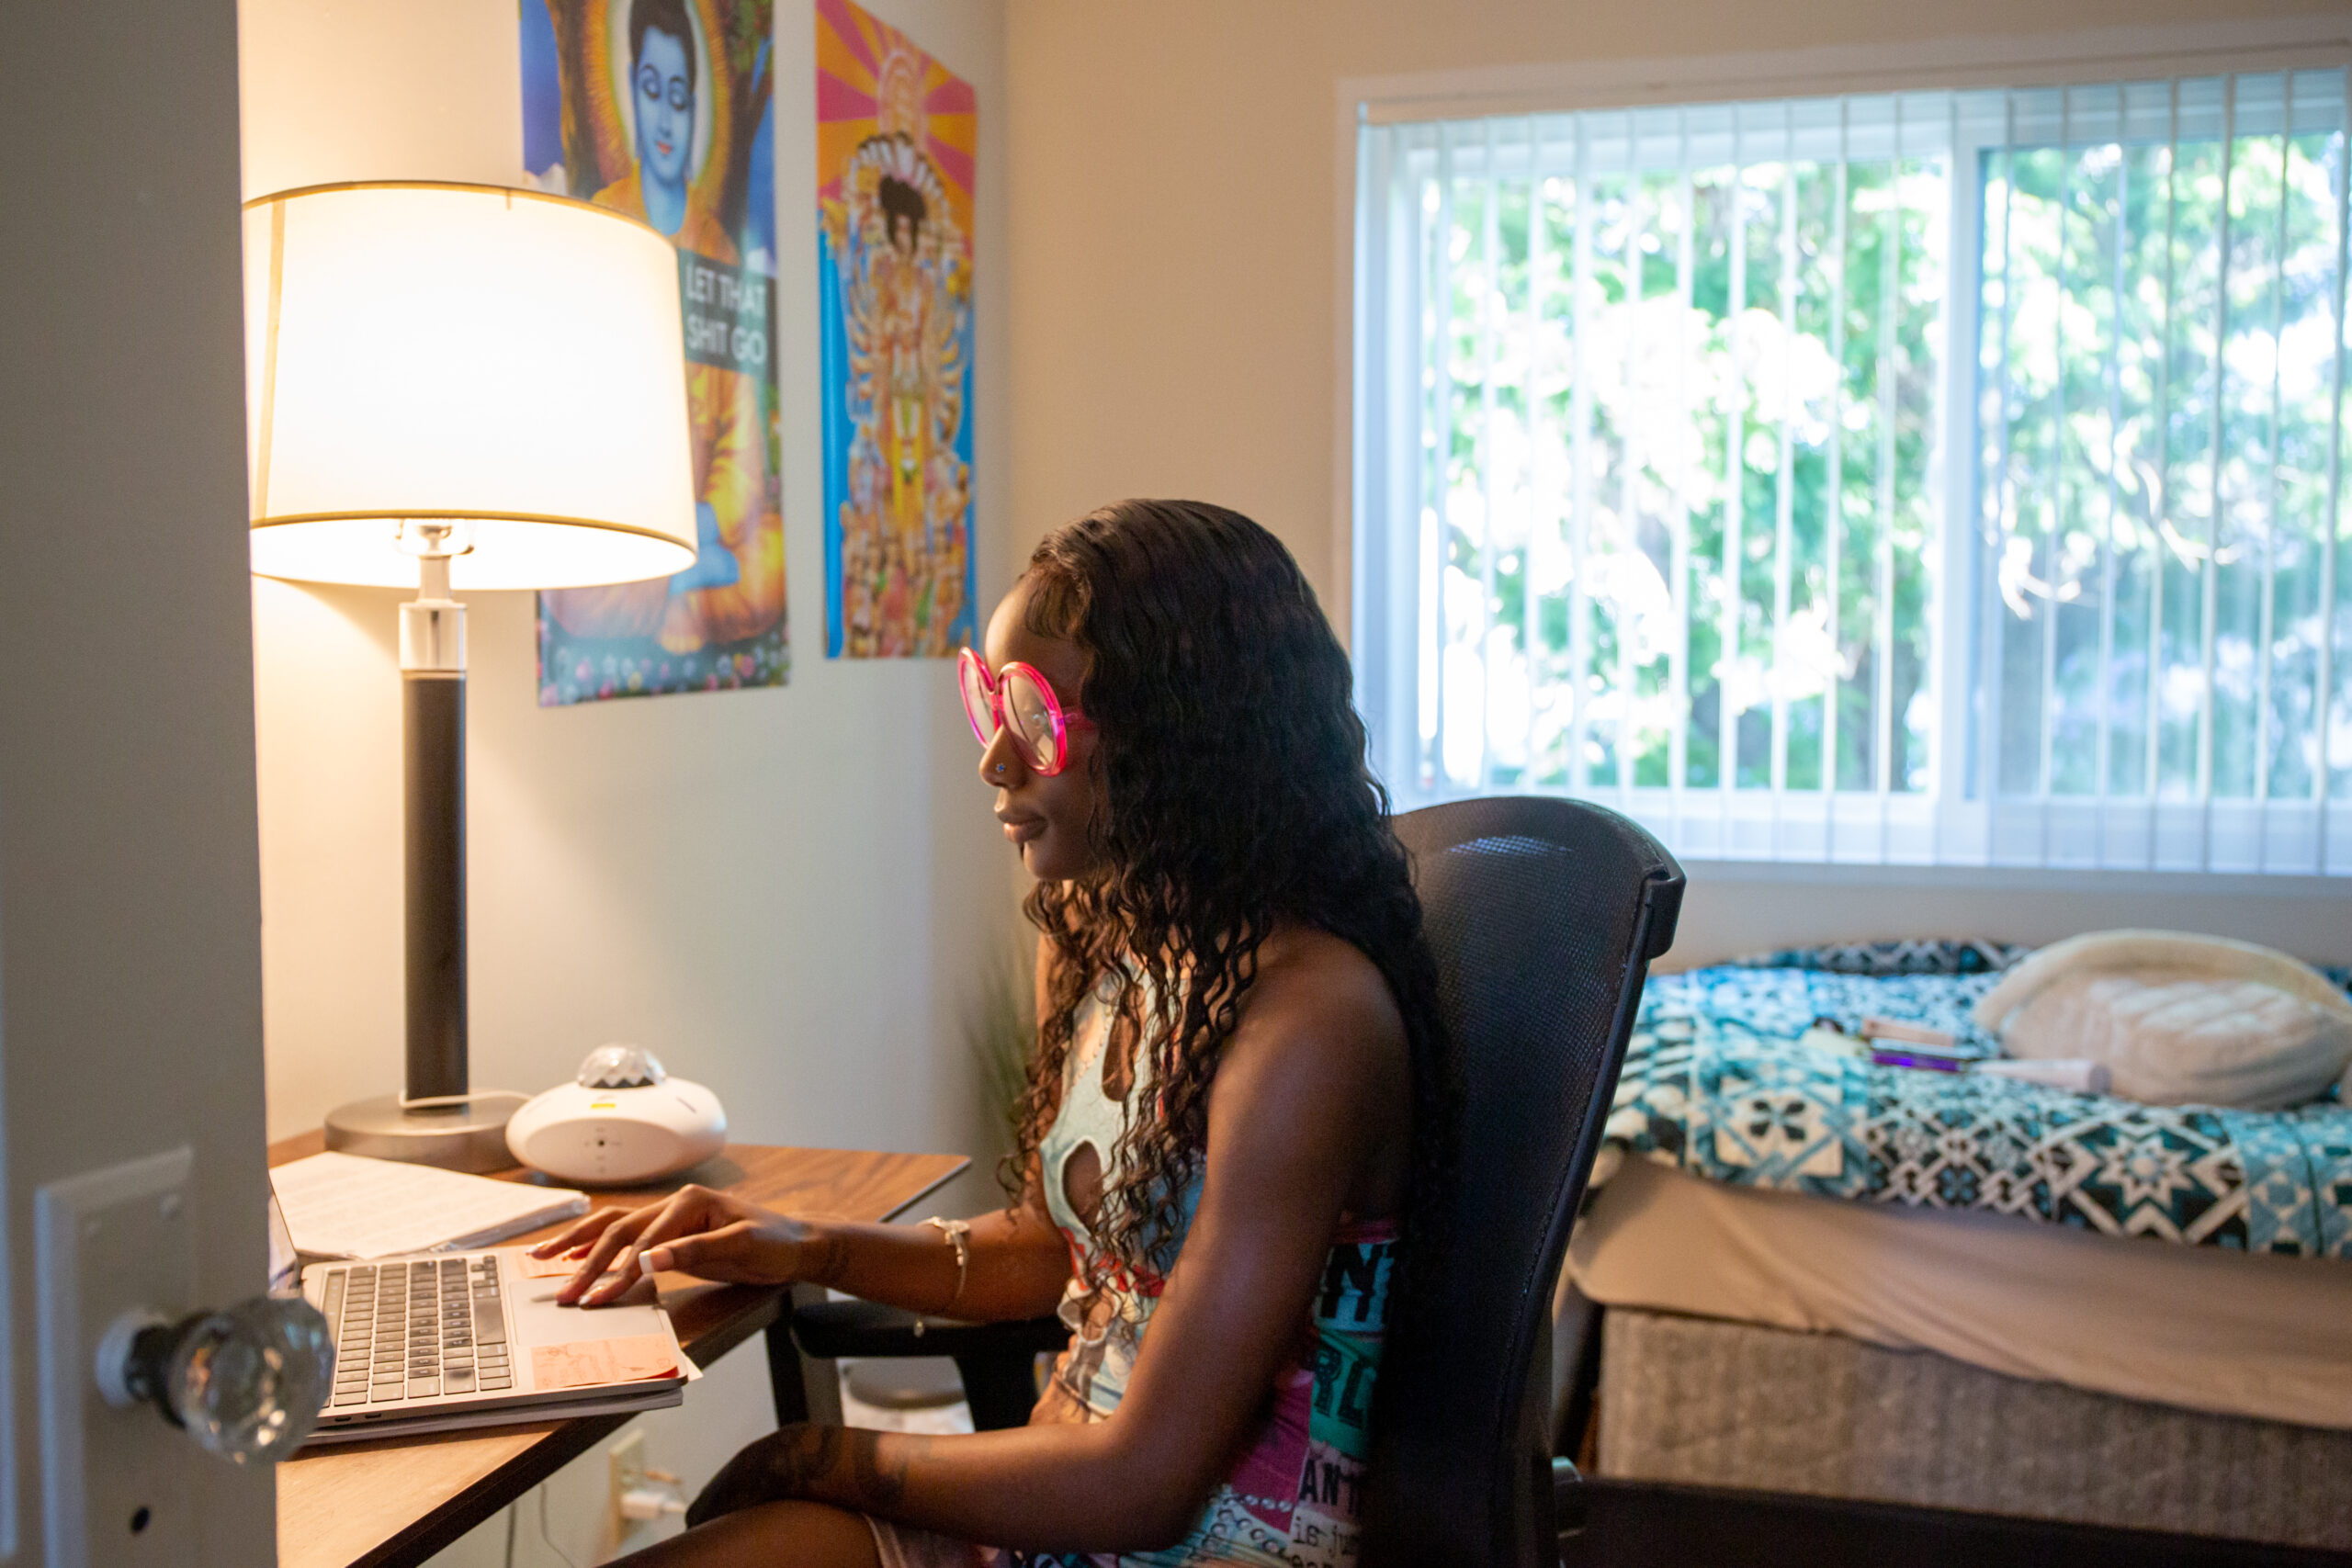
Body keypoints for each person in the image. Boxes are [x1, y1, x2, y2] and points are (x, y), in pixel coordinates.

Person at [537, 500, 1449, 1566]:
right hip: (1051, 1520)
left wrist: (820, 1455)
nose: (995, 765)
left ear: (1184, 739)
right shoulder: (1103, 938)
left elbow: (1143, 1488)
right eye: (990, 706)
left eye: (1036, 720)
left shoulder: (1308, 1024)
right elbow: (1049, 1250)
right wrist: (806, 1243)